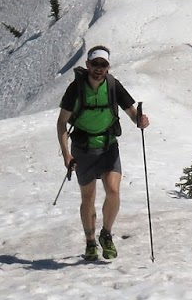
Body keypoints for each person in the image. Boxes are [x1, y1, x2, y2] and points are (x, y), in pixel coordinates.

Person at [56, 45, 149, 261]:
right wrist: (66, 155)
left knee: (114, 192)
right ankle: (90, 242)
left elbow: (132, 113)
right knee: (88, 198)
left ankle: (106, 234)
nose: (99, 68)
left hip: (108, 147)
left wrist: (140, 121)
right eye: (95, 64)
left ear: (108, 67)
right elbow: (61, 122)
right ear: (87, 64)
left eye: (103, 64)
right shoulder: (75, 88)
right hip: (83, 149)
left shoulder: (113, 85)